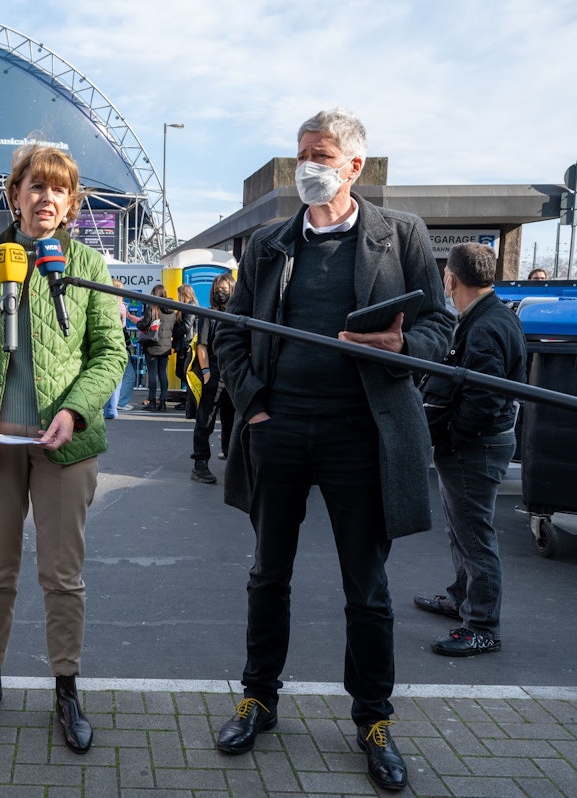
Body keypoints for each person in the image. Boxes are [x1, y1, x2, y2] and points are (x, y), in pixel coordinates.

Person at [214, 109, 451, 792]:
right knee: (268, 575)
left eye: (319, 155)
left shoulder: (399, 234)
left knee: (367, 588)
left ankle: (373, 720)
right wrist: (254, 403)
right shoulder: (267, 244)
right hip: (280, 430)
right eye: (299, 155)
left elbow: (437, 323)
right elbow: (231, 332)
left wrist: (405, 346)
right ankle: (259, 699)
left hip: (361, 434)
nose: (306, 167)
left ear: (354, 166)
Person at [0, 144, 126, 754]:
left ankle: (65, 689)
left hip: (64, 444)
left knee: (61, 575)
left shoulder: (87, 265)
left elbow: (110, 353)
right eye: (35, 186)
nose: (46, 198)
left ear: (72, 203)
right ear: (14, 193)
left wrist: (73, 411)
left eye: (58, 189)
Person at [416, 243, 526, 656]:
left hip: (474, 447)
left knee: (474, 536)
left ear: (450, 278)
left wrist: (451, 435)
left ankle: (482, 625)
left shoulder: (484, 325)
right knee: (462, 529)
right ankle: (461, 599)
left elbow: (484, 397)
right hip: (476, 444)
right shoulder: (490, 316)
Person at [190, 272, 236, 483]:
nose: (220, 293)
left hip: (235, 373)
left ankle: (231, 457)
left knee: (232, 420)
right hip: (216, 373)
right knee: (206, 420)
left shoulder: (239, 314)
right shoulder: (208, 315)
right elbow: (202, 345)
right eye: (218, 290)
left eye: (224, 290)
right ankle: (200, 464)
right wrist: (207, 372)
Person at [136, 284, 177, 411]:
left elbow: (144, 325)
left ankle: (152, 401)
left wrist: (139, 323)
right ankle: (163, 401)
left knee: (152, 374)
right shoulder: (172, 309)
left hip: (152, 345)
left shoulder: (152, 307)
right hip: (165, 346)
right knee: (162, 374)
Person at [104, 278, 135, 418]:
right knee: (122, 375)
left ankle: (106, 406)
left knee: (105, 374)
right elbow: (122, 327)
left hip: (104, 341)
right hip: (119, 343)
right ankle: (114, 406)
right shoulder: (121, 306)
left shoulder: (104, 303)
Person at [174, 284, 199, 418]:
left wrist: (175, 333)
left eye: (179, 294)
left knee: (183, 372)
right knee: (181, 372)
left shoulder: (189, 307)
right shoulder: (190, 306)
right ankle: (188, 399)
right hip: (184, 343)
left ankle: (190, 400)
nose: (178, 297)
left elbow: (187, 326)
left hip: (186, 344)